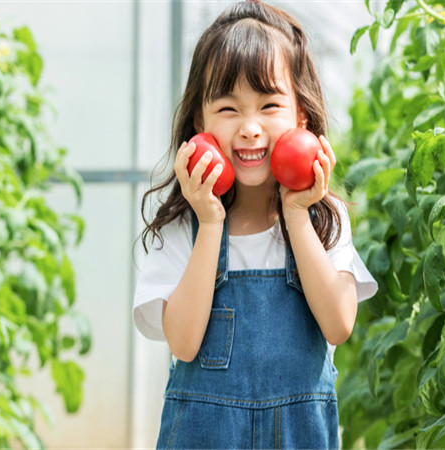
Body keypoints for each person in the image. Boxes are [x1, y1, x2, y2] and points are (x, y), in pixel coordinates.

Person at [133, 1, 377, 448]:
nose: (249, 128)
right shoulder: (183, 226)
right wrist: (209, 224)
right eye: (228, 109)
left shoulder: (324, 220)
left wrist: (298, 217)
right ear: (199, 123)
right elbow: (184, 344)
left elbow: (339, 324)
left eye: (269, 105)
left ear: (301, 116)